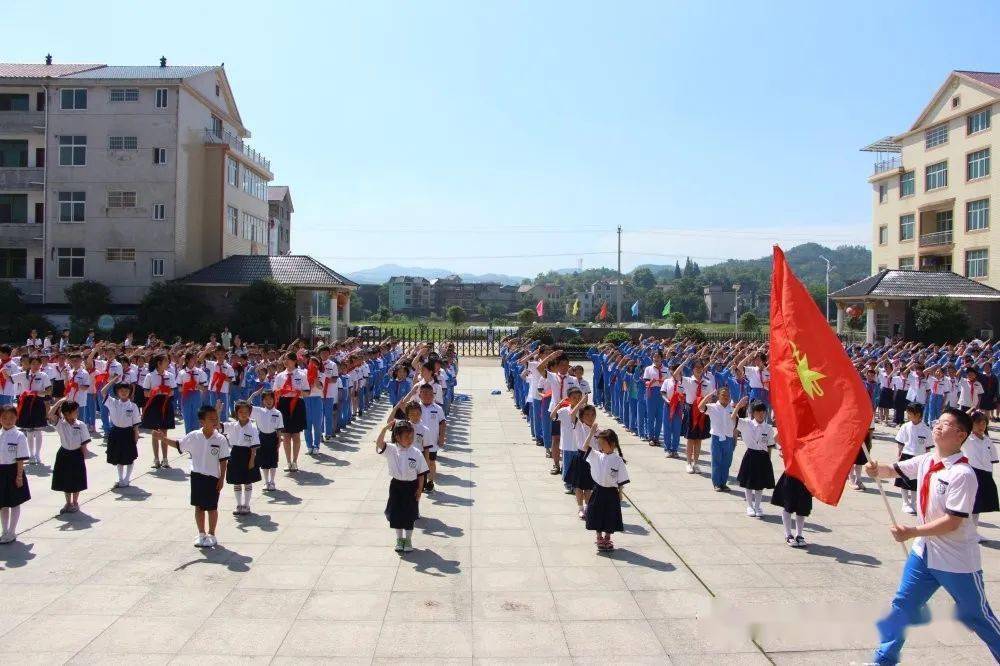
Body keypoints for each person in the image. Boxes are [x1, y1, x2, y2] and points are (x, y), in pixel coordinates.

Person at [865, 407, 1000, 664]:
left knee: (976, 617)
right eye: (937, 422)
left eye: (945, 424)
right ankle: (883, 660)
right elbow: (894, 470)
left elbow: (952, 522)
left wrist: (912, 531)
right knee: (902, 606)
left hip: (956, 560)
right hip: (924, 554)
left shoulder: (962, 474)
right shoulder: (927, 459)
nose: (937, 426)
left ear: (960, 434)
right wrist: (875, 469)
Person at [162, 405, 230, 548]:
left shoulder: (221, 439)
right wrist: (163, 438)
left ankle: (212, 534)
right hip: (197, 476)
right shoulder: (194, 436)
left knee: (212, 508)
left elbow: (223, 461)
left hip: (213, 478)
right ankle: (201, 534)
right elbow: (178, 444)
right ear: (202, 422)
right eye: (210, 419)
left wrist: (222, 479)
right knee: (198, 507)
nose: (214, 421)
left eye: (215, 418)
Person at [376, 419, 428, 553]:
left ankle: (408, 539)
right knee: (397, 514)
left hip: (411, 486)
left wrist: (420, 489)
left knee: (409, 514)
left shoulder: (416, 452)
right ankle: (399, 540)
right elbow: (379, 443)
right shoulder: (391, 450)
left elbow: (421, 473)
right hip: (396, 486)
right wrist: (385, 428)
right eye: (406, 436)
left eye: (411, 436)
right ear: (397, 437)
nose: (410, 439)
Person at [585, 428, 630, 552]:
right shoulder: (597, 456)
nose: (601, 446)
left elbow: (621, 480)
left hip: (611, 493)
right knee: (597, 514)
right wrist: (591, 432)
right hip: (598, 491)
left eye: (603, 444)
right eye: (600, 444)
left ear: (613, 444)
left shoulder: (618, 460)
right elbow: (584, 447)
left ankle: (607, 537)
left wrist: (620, 493)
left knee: (610, 516)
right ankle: (599, 537)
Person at [734, 398, 776, 518]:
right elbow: (732, 419)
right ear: (753, 413)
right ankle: (749, 506)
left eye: (763, 412)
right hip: (751, 456)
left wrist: (768, 460)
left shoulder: (768, 428)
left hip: (763, 457)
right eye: (758, 412)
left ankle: (758, 506)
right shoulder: (747, 423)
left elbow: (769, 445)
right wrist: (738, 406)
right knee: (749, 484)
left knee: (759, 485)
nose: (761, 414)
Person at [47, 398, 89, 513]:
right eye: (74, 411)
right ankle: (68, 502)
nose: (77, 413)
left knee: (77, 479)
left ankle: (75, 502)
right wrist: (60, 402)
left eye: (77, 411)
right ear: (66, 413)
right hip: (64, 454)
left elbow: (84, 443)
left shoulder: (81, 425)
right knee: (65, 479)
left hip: (76, 454)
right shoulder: (60, 423)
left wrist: (84, 455)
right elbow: (50, 414)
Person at [220, 400, 261, 516]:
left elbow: (254, 447)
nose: (243, 414)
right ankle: (239, 505)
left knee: (247, 481)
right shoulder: (232, 425)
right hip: (235, 454)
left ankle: (246, 505)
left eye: (246, 412)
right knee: (236, 481)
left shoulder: (252, 427)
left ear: (250, 413)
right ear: (236, 413)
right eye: (241, 412)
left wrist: (252, 460)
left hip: (248, 455)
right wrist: (218, 412)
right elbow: (218, 426)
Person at [674, 358, 715, 474]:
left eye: (700, 367)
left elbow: (710, 397)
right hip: (691, 409)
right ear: (692, 369)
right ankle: (688, 462)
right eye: (696, 367)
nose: (698, 369)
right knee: (690, 439)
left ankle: (696, 463)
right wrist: (684, 362)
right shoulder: (687, 380)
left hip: (702, 411)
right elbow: (676, 374)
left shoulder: (707, 383)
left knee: (698, 439)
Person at [963, 410, 999, 542]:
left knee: (978, 506)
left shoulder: (988, 441)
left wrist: (989, 477)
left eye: (984, 423)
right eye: (978, 423)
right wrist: (969, 413)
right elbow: (961, 422)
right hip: (973, 473)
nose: (982, 426)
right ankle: (967, 532)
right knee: (970, 504)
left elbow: (992, 460)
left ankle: (973, 532)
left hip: (985, 475)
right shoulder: (967, 439)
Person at [273, 351, 308, 472]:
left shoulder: (302, 374)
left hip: (297, 404)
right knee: (286, 435)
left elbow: (307, 392)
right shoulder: (280, 376)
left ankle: (295, 461)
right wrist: (280, 391)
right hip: (283, 405)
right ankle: (288, 462)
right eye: (284, 359)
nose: (285, 361)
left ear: (294, 361)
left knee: (296, 435)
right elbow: (274, 392)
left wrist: (296, 391)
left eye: (288, 359)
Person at [895, 403, 932, 515]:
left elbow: (928, 447)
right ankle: (905, 503)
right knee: (904, 481)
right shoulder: (905, 426)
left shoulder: (926, 429)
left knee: (915, 483)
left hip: (919, 458)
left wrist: (927, 460)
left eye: (910, 413)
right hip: (906, 455)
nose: (908, 415)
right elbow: (901, 442)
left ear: (918, 415)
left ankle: (914, 502)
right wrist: (899, 454)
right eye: (908, 413)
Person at [0, 404, 30, 543]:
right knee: (3, 504)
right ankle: (4, 530)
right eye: (4, 417)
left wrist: (19, 476)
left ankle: (12, 531)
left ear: (16, 418)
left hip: (13, 471)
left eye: (11, 417)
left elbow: (20, 459)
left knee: (14, 502)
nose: (8, 420)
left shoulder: (19, 435)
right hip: (1, 471)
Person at [141, 354, 176, 469]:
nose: (168, 363)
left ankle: (165, 459)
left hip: (165, 403)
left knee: (164, 432)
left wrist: (165, 391)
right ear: (159, 363)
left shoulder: (170, 375)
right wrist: (156, 391)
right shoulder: (150, 376)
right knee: (155, 432)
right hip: (154, 404)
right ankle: (156, 459)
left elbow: (172, 392)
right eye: (166, 361)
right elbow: (145, 393)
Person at [700, 386, 736, 492]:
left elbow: (735, 424)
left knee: (727, 462)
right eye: (723, 395)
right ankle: (716, 483)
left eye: (727, 395)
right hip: (716, 438)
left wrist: (734, 438)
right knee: (717, 461)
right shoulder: (712, 407)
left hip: (729, 439)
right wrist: (708, 397)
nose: (725, 397)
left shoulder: (732, 408)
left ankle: (723, 483)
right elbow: (700, 407)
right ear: (718, 396)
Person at [249, 388, 283, 492]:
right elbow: (245, 406)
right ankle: (266, 482)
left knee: (273, 461)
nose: (268, 401)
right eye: (266, 399)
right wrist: (253, 395)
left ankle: (272, 482)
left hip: (273, 438)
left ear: (274, 400)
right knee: (263, 461)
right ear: (262, 401)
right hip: (261, 438)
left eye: (270, 399)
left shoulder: (277, 413)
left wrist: (279, 441)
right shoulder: (258, 411)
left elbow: (279, 429)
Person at [416, 383, 446, 492]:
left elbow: (442, 423)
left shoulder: (438, 408)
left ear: (433, 395)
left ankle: (430, 481)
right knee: (420, 463)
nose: (427, 396)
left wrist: (441, 437)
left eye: (430, 394)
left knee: (431, 462)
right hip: (418, 442)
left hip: (432, 441)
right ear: (419, 395)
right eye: (424, 393)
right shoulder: (416, 407)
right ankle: (420, 482)